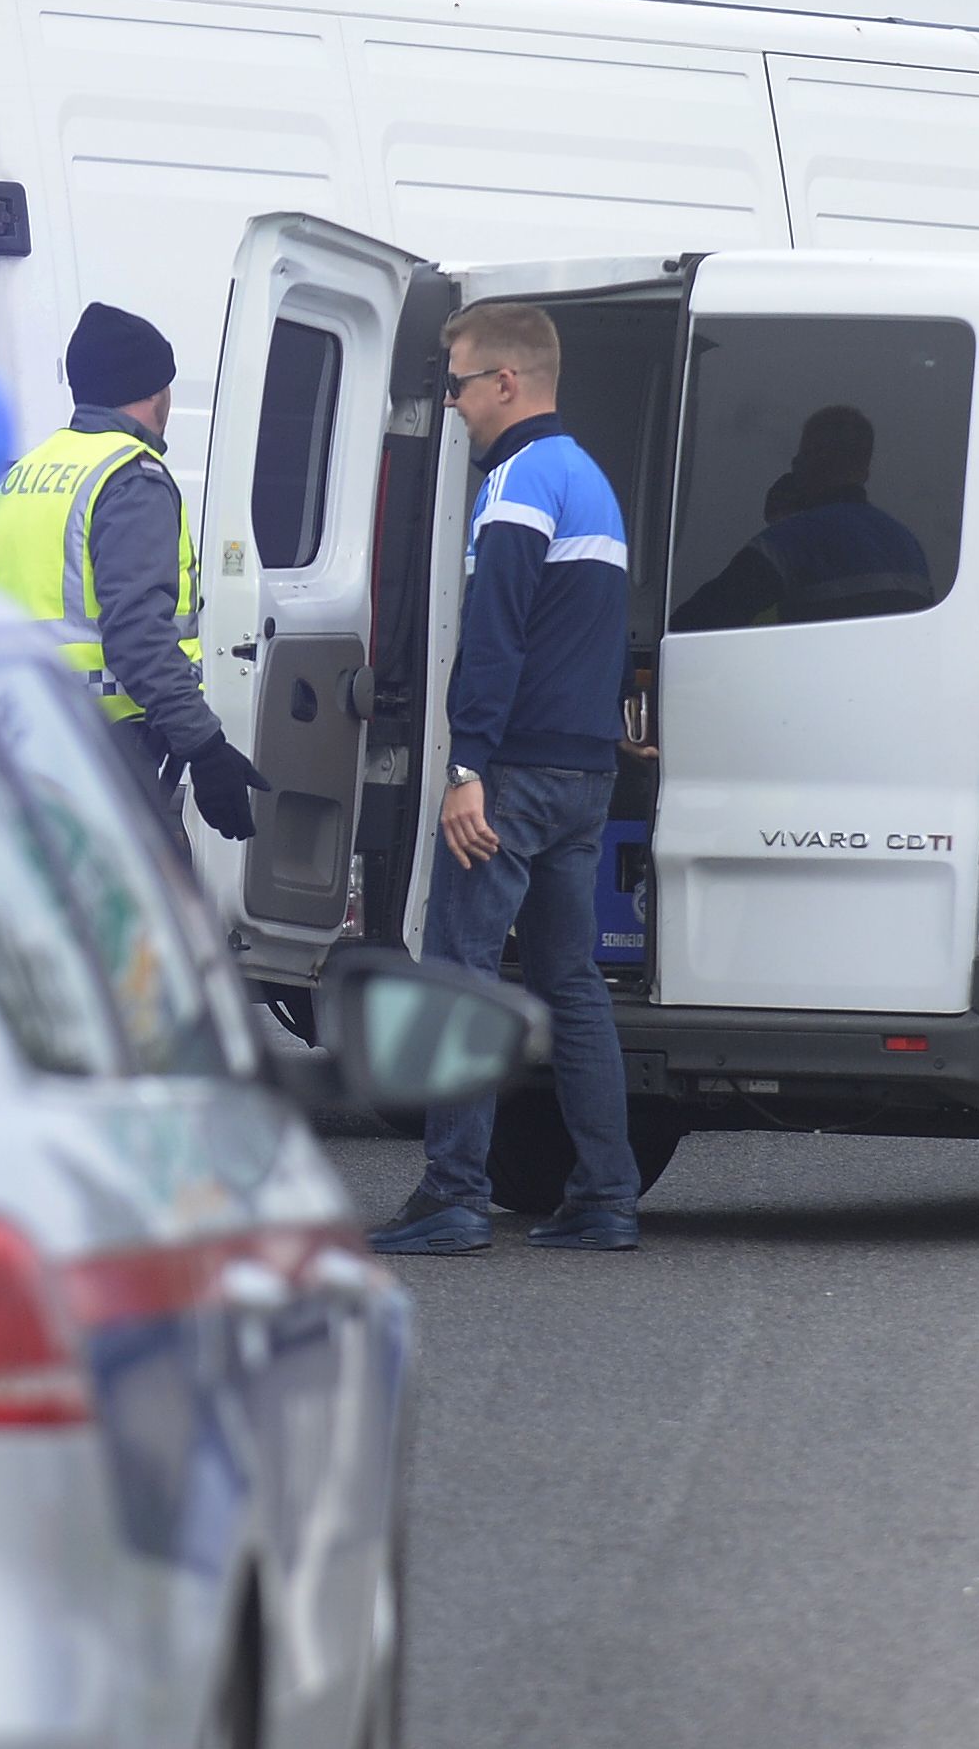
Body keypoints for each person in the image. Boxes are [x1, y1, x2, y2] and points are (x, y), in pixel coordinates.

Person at [368, 301, 643, 1255]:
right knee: (572, 985)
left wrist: (466, 767)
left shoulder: (521, 482)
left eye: (456, 384)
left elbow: (496, 638)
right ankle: (607, 1195)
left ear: (507, 383)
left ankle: (452, 1196)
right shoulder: (593, 484)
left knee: (460, 976)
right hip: (581, 778)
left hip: (513, 774)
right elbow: (592, 637)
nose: (450, 405)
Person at [0, 302, 265, 843]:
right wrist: (204, 746)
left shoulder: (22, 476)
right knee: (154, 923)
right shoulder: (130, 477)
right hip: (112, 752)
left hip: (32, 743)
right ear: (157, 392)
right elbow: (137, 635)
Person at [670, 404, 933, 630]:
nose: (795, 467)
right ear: (865, 469)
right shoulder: (907, 544)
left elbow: (707, 616)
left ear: (815, 459)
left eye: (799, 458)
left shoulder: (795, 539)